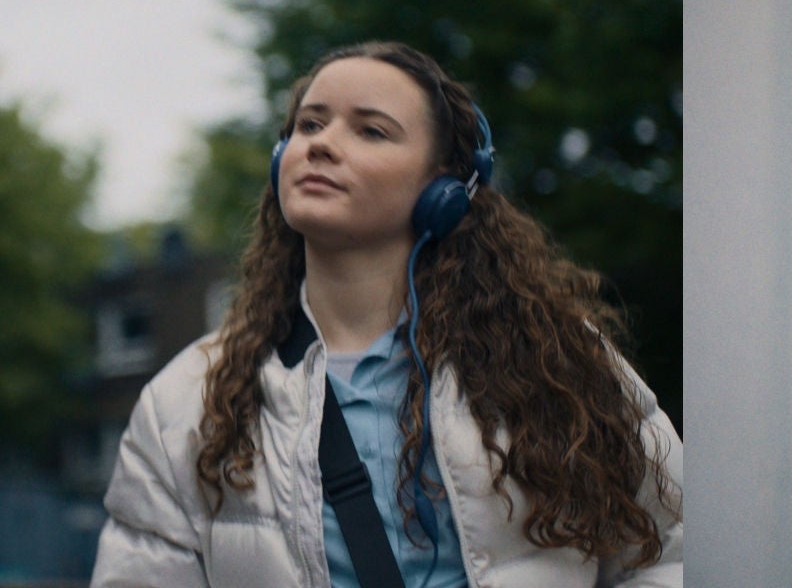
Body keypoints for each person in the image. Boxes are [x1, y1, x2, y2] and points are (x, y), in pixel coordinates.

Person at [92, 41, 682, 586]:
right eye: (309, 124)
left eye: (371, 131)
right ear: (280, 161)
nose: (321, 143)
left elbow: (671, 558)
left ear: (445, 189)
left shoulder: (561, 362)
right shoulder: (184, 402)